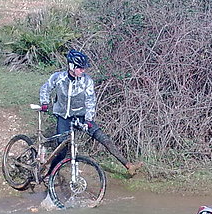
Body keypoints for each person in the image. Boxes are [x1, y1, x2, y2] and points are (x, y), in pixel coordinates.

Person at [39, 49, 143, 177]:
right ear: (71, 66)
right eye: (80, 68)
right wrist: (44, 102)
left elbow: (90, 100)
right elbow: (45, 88)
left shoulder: (87, 81)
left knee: (103, 138)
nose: (83, 71)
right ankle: (49, 175)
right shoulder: (58, 78)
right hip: (64, 118)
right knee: (62, 150)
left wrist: (88, 119)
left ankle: (128, 164)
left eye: (84, 69)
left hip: (81, 117)